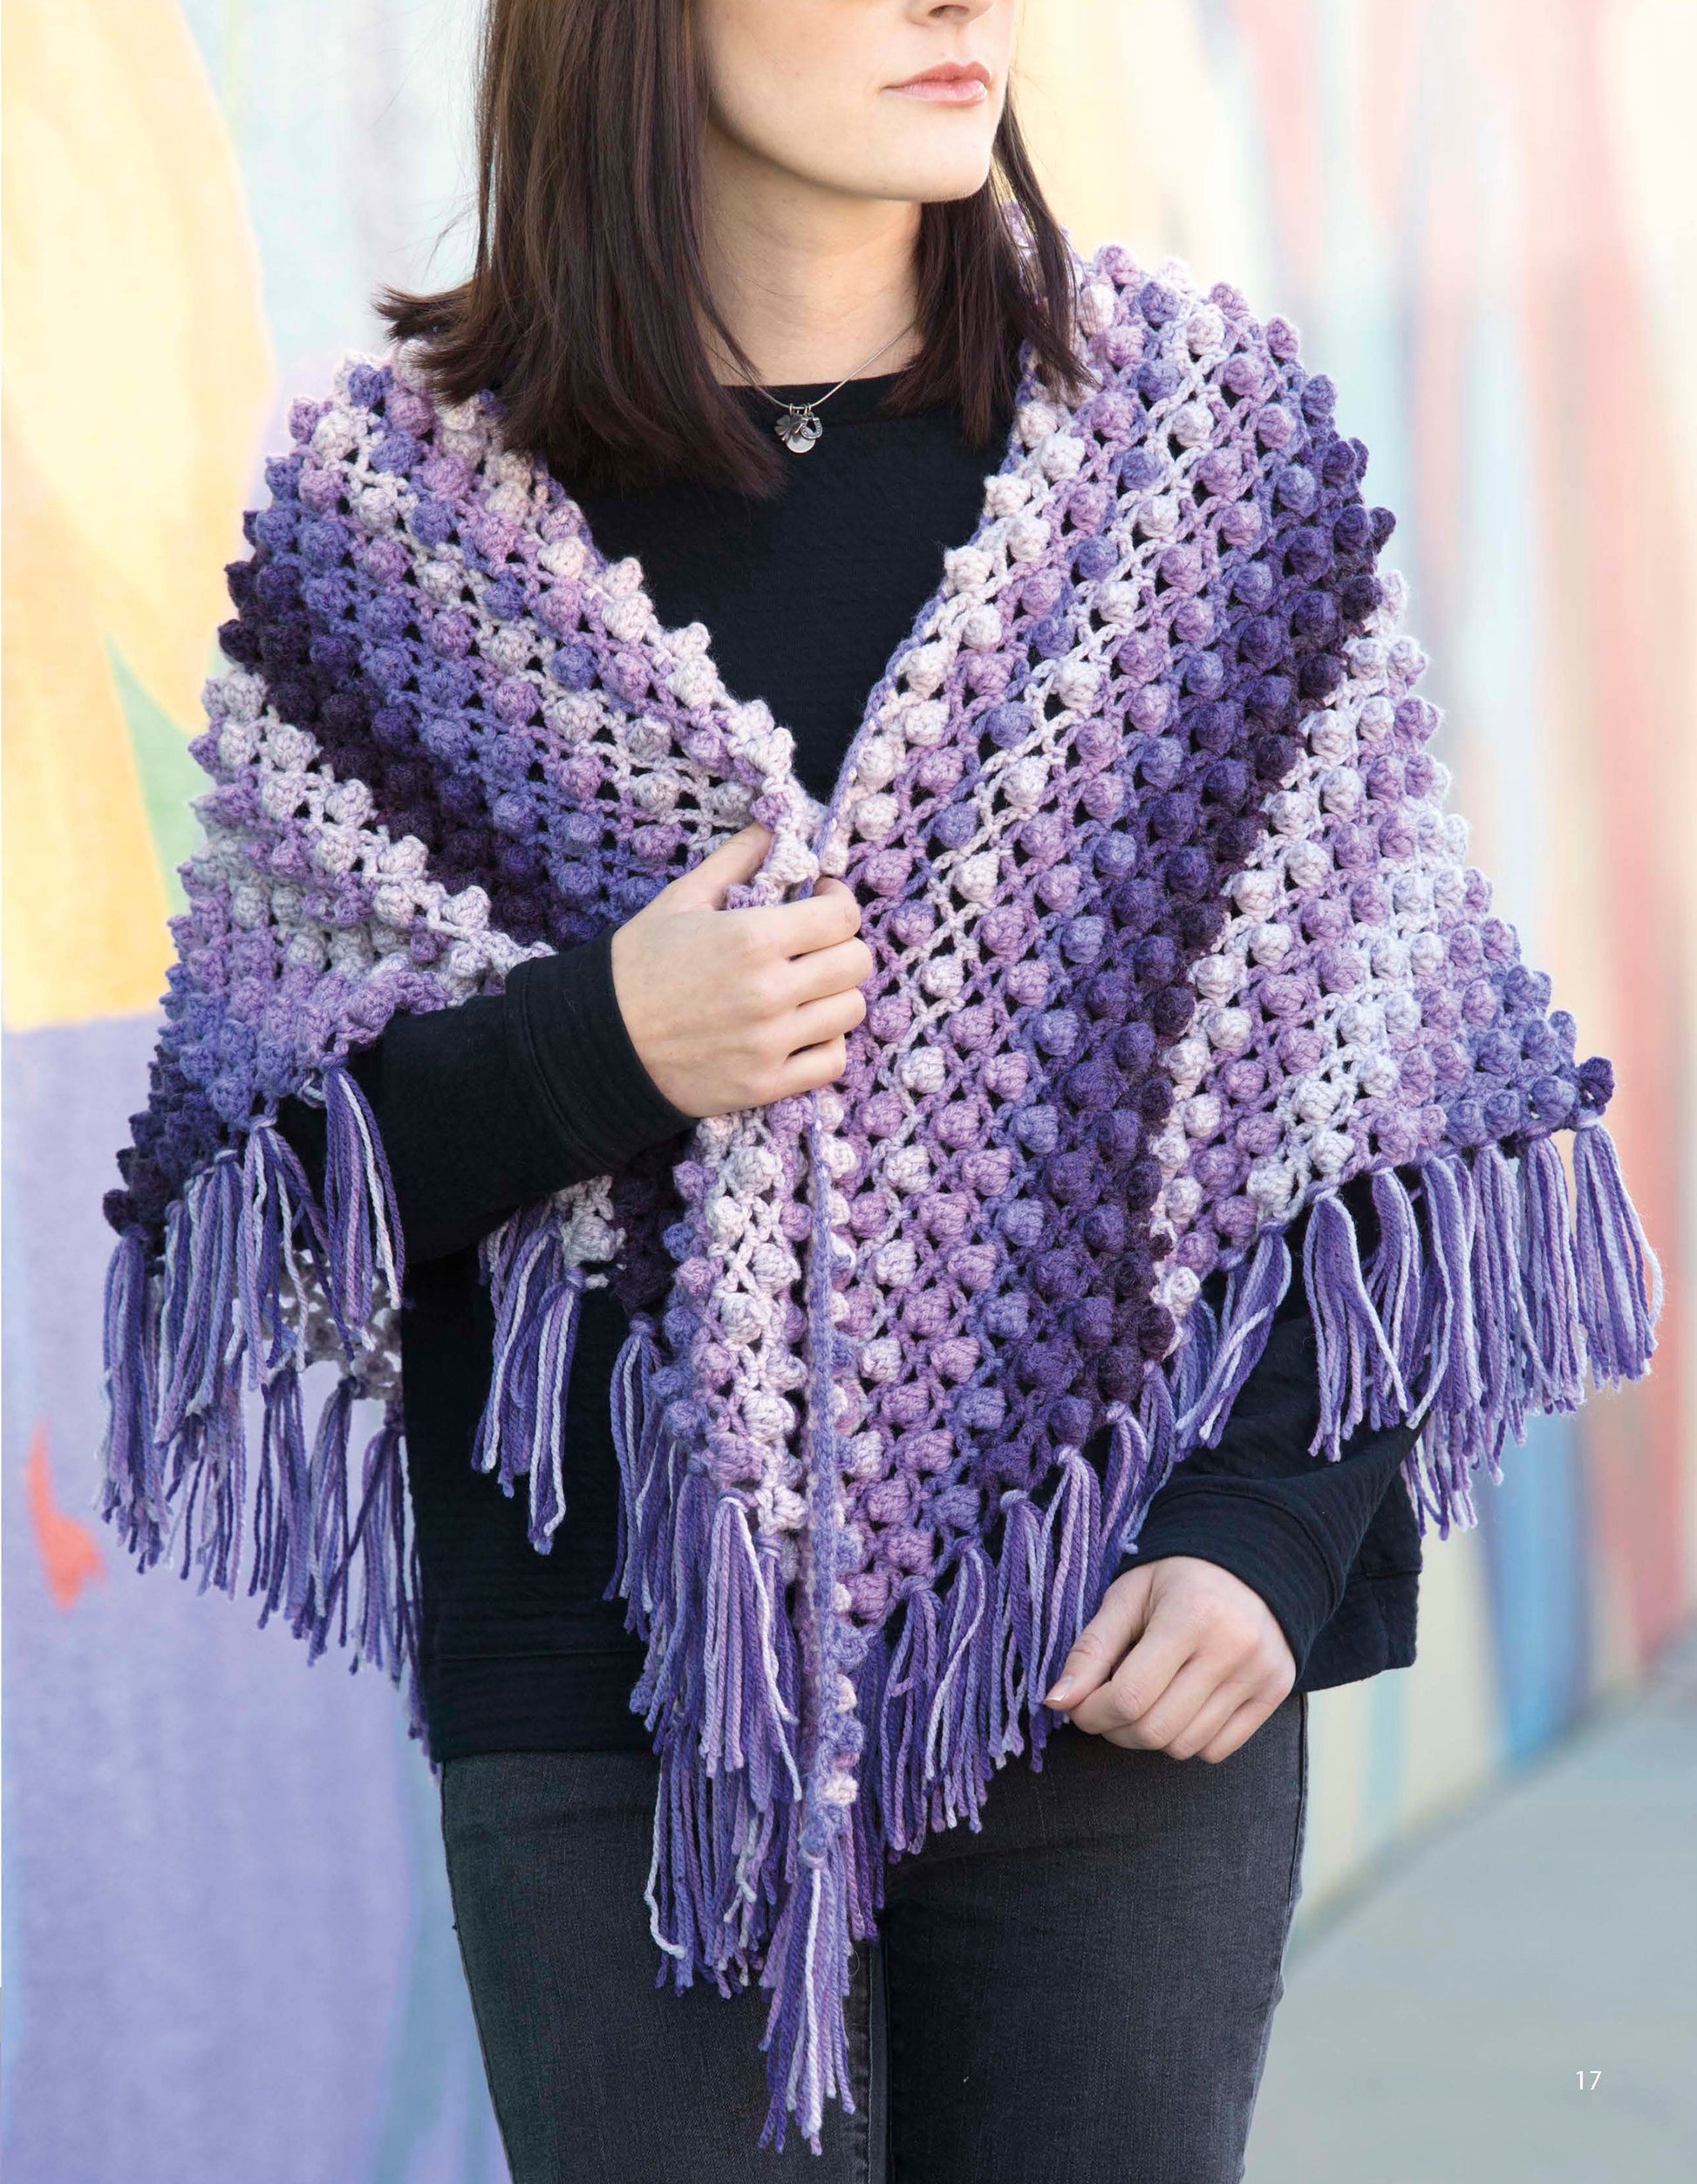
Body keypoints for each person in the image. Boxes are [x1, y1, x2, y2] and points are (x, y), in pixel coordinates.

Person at [99, 1, 1656, 2178]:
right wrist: (607, 1043)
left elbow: (1386, 1115)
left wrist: (1269, 1536)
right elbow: (261, 1193)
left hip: (1112, 1656)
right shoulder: (403, 528)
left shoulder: (1192, 468)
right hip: (615, 1710)